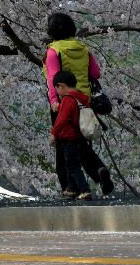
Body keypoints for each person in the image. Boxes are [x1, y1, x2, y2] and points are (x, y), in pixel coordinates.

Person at [45, 12, 114, 197]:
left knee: (65, 144)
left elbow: (53, 79)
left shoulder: (54, 51)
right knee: (80, 141)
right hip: (84, 101)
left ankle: (71, 186)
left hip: (64, 102)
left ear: (52, 30)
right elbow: (96, 73)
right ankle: (95, 173)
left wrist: (53, 101)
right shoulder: (84, 48)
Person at [51, 70, 94, 199]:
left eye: (56, 88)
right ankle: (71, 189)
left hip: (70, 137)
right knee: (70, 163)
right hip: (79, 136)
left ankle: (85, 190)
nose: (57, 92)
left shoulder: (68, 99)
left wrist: (54, 133)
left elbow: (62, 119)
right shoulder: (79, 97)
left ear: (61, 86)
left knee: (73, 166)